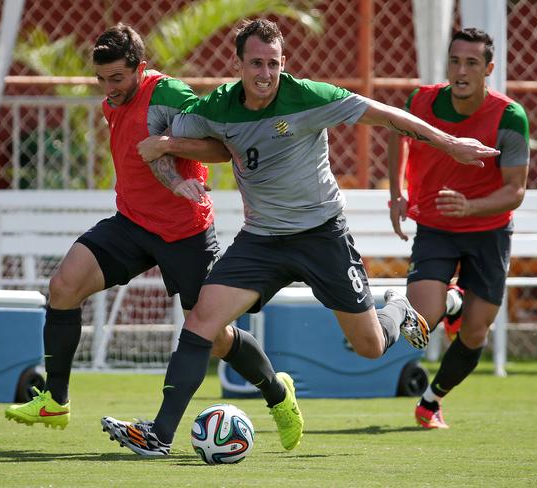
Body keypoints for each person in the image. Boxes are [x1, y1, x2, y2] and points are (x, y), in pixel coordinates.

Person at [100, 18, 499, 456]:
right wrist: (167, 148)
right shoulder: (217, 106)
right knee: (201, 322)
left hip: (322, 235)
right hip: (262, 240)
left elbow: (386, 117)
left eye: (273, 64)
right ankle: (160, 434)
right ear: (239, 64)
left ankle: (398, 308)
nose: (265, 74)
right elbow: (186, 142)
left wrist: (450, 143)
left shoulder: (309, 96)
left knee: (369, 346)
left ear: (283, 63)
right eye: (256, 64)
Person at [5, 23, 304, 452]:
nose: (109, 89)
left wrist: (175, 169)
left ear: (140, 69)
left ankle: (278, 394)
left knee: (217, 337)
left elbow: (220, 146)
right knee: (63, 287)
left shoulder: (169, 94)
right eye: (101, 79)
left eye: (118, 78)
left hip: (186, 231)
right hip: (131, 223)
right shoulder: (114, 100)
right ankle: (56, 399)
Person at [387, 27, 529, 429]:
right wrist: (397, 192)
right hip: (435, 226)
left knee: (474, 334)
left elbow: (515, 191)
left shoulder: (509, 116)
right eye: (455, 61)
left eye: (471, 63)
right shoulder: (421, 100)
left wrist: (471, 207)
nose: (461, 70)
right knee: (421, 318)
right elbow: (398, 136)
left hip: (489, 231)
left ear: (489, 69)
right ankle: (449, 302)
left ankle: (430, 402)